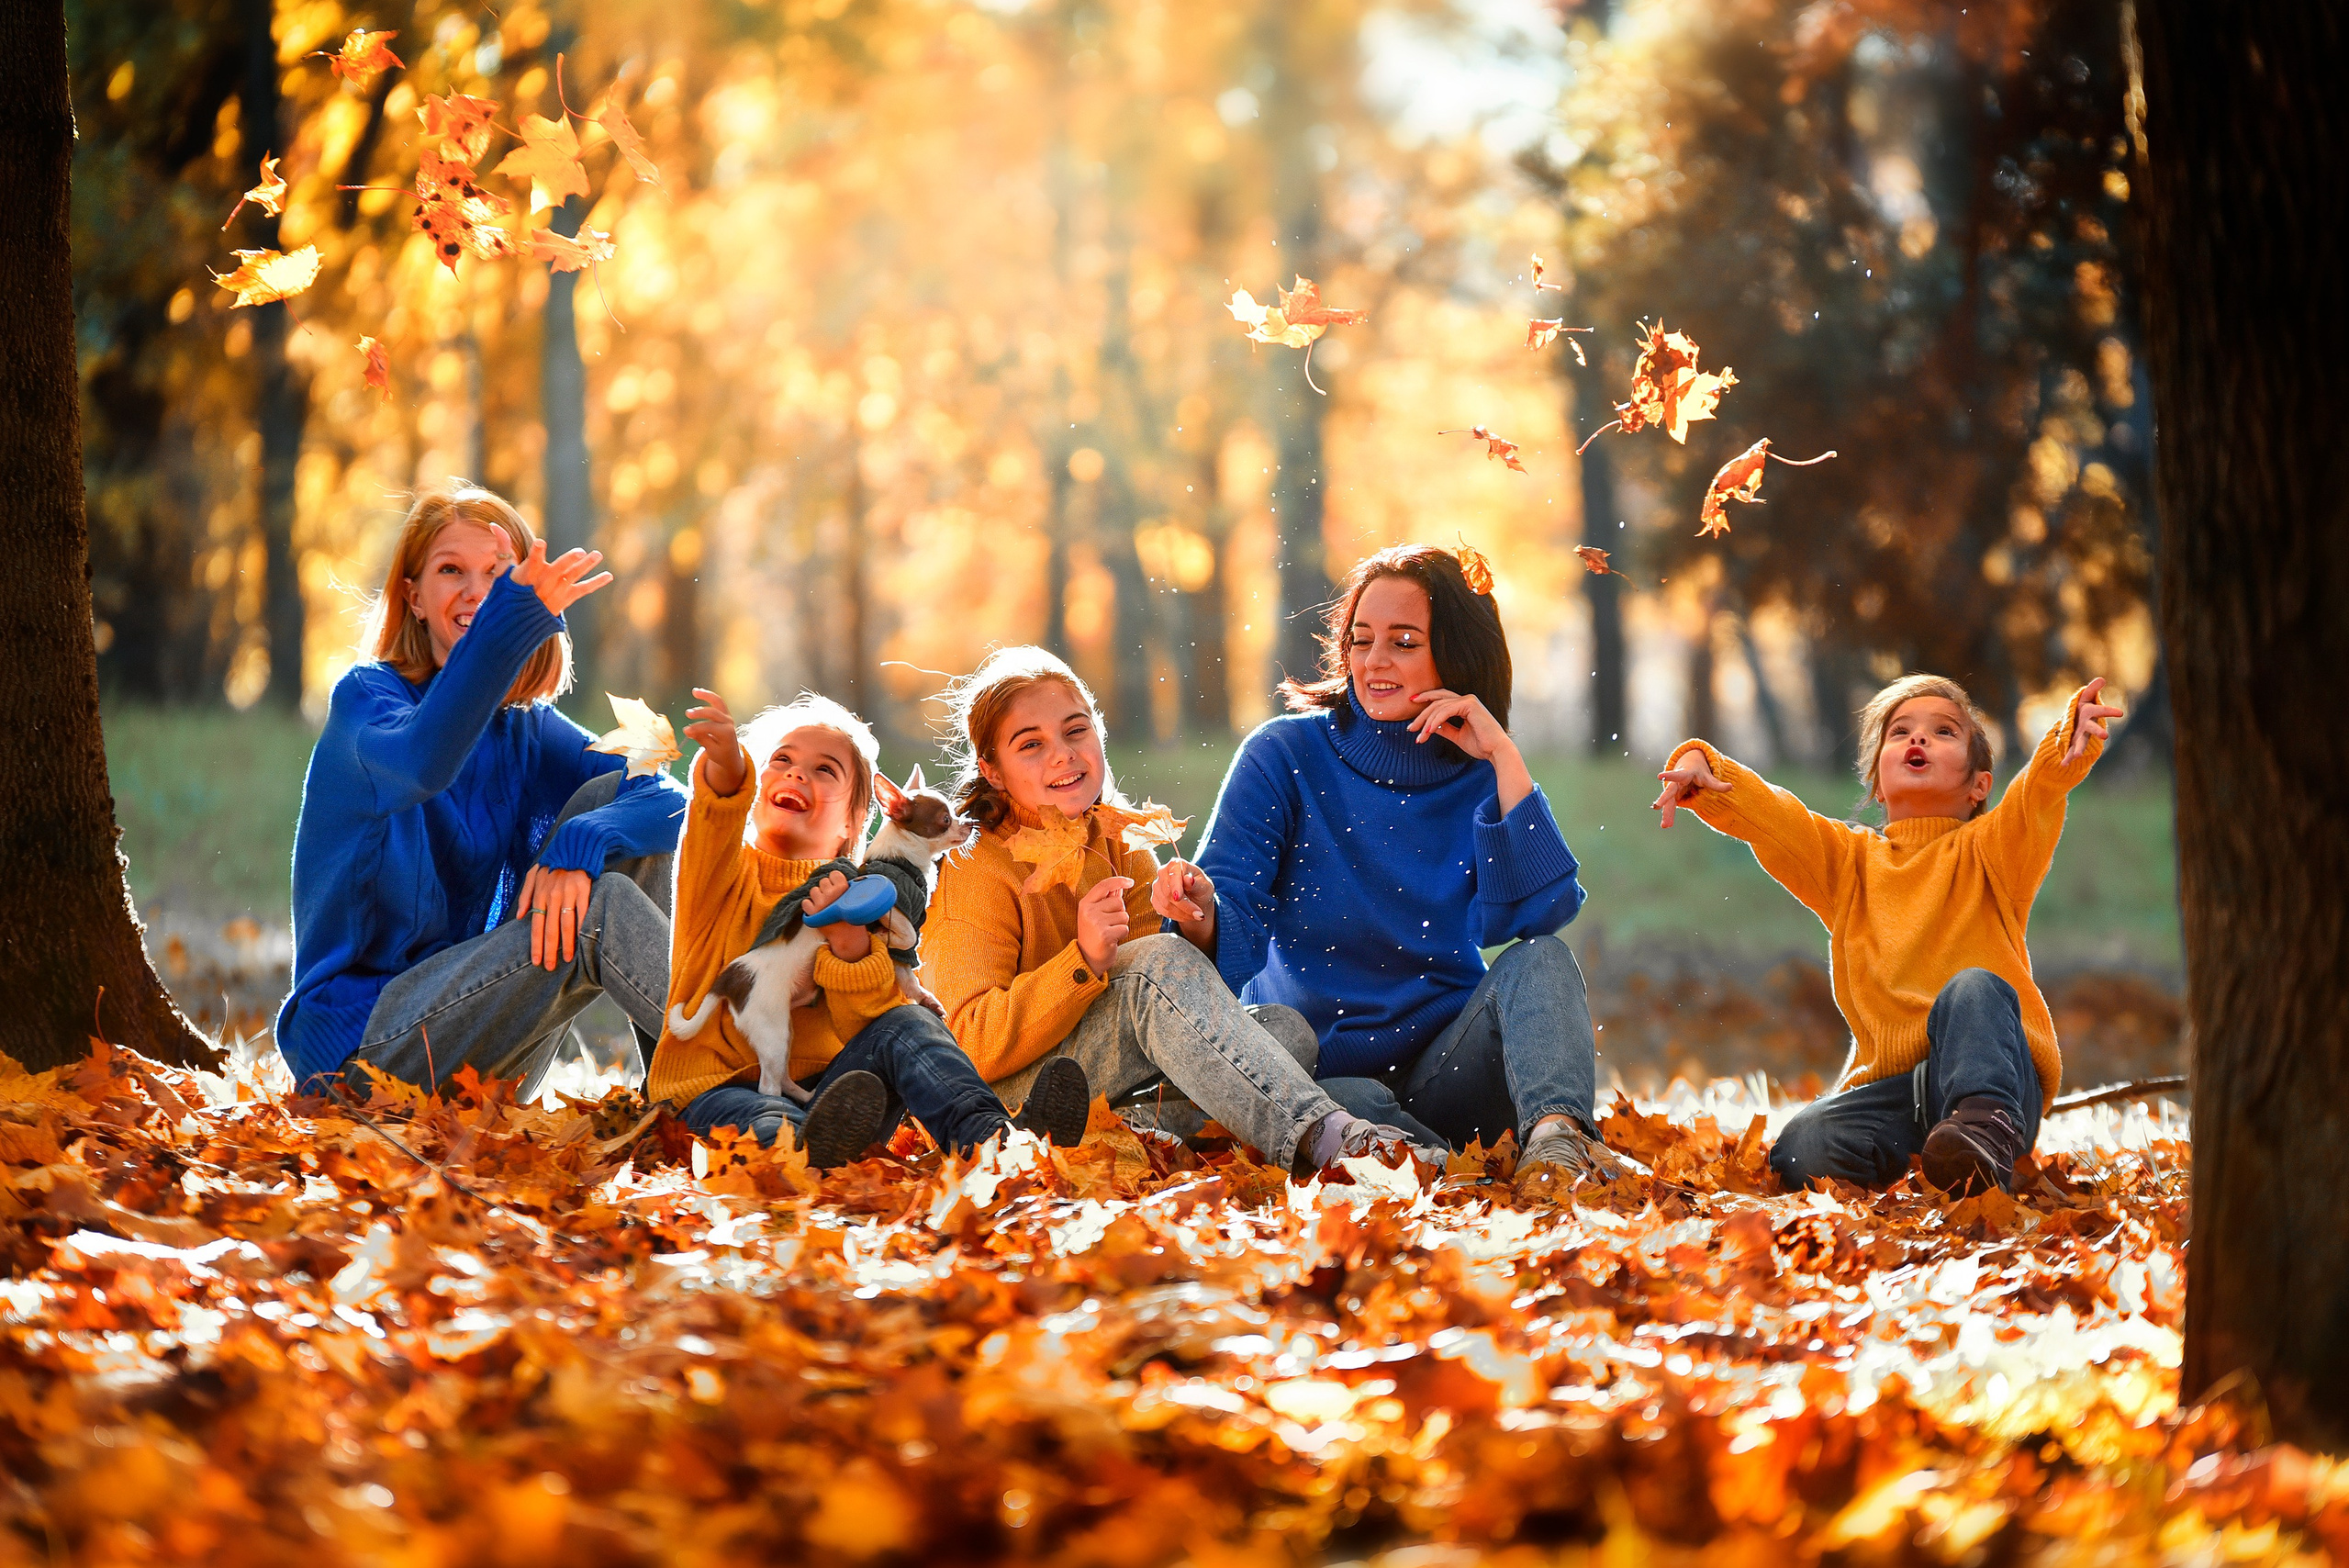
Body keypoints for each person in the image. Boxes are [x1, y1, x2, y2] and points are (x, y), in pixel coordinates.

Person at [1187, 543, 1621, 1181]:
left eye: (1404, 641)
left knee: (1544, 961)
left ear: (1455, 651)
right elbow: (1233, 918)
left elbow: (1540, 917)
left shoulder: (1479, 773)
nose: (1374, 662)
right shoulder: (1284, 756)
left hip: (1450, 1069)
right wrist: (1198, 919)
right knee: (1356, 1104)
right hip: (1327, 1079)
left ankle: (1559, 1149)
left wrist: (1503, 759)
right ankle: (1460, 1178)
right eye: (1360, 641)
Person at [923, 646, 1427, 1177]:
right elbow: (968, 1044)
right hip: (1002, 1093)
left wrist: (1194, 919)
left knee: (1285, 1032)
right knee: (1182, 989)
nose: (1063, 755)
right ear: (992, 770)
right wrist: (1083, 962)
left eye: (1076, 730)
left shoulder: (1117, 837)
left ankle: (1126, 1134)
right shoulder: (973, 865)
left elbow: (1175, 1011)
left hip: (1103, 1076)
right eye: (1031, 745)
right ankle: (1333, 1138)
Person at [277, 482, 685, 1099]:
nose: (476, 592)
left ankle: (687, 1098)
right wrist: (510, 619)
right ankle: (744, 1090)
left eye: (498, 575)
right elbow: (424, 762)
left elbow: (672, 800)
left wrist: (580, 839)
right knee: (600, 914)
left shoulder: (523, 725)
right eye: (451, 570)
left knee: (622, 820)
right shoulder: (366, 702)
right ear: (413, 598)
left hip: (478, 1049)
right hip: (360, 1053)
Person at [1653, 673, 2126, 1195]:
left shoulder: (1994, 852)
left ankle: (1983, 1144)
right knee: (1800, 1145)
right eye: (1900, 732)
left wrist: (2067, 743)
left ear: (1979, 786)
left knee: (1974, 988)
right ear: (1878, 781)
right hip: (1897, 1093)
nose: (1917, 740)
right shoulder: (1848, 863)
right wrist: (1708, 772)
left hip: (1996, 1082)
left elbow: (2035, 796)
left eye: (1944, 732)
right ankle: (1930, 1166)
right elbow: (1778, 819)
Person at [650, 688, 1091, 1168]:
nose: (798, 772)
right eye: (781, 760)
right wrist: (729, 767)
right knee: (767, 1123)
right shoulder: (719, 877)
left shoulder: (864, 896)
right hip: (717, 1094)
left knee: (908, 1022)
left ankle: (1000, 1142)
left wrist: (850, 941)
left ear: (857, 820)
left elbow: (870, 1018)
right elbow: (714, 815)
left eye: (825, 770)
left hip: (841, 1096)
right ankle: (806, 1150)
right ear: (755, 792)